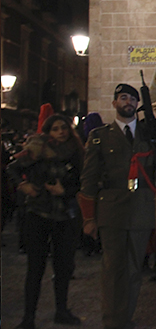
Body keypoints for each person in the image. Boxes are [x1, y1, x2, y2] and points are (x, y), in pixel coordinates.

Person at [78, 84, 156, 329]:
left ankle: (125, 318)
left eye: (132, 98)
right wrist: (88, 218)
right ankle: (112, 321)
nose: (128, 102)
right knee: (113, 268)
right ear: (114, 104)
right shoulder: (100, 136)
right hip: (111, 210)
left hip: (140, 210)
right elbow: (88, 180)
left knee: (133, 269)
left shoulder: (149, 135)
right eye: (123, 97)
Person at [8, 114, 84, 328]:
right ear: (47, 132)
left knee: (63, 268)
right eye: (55, 128)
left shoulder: (76, 153)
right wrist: (23, 186)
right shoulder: (36, 150)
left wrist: (65, 190)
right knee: (35, 268)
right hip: (38, 214)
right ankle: (28, 317)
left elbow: (81, 181)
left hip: (65, 216)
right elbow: (12, 168)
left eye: (64, 128)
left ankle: (62, 310)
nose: (61, 131)